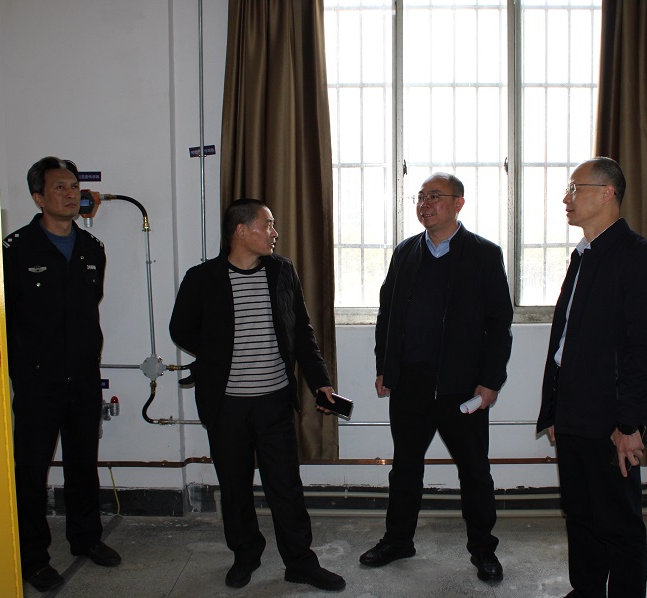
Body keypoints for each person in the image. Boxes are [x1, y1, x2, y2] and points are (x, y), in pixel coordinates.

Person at [169, 198, 345, 592]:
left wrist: (321, 381)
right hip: (226, 405)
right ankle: (245, 554)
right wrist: (216, 353)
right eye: (267, 225)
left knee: (286, 486)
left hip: (274, 403)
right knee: (234, 487)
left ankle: (300, 562)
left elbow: (302, 331)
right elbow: (180, 329)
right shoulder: (203, 278)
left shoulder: (282, 271)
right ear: (241, 230)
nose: (274, 233)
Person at [360, 173, 514, 582]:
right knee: (405, 468)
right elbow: (387, 313)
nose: (425, 204)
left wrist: (490, 381)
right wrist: (384, 366)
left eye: (435, 197)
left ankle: (483, 550)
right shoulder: (406, 252)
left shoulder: (483, 254)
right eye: (421, 197)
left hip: (461, 388)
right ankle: (398, 540)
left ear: (458, 203)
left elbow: (499, 323)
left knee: (474, 472)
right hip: (410, 384)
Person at [536, 157, 647, 597]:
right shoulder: (584, 255)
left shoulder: (642, 260)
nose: (566, 198)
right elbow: (567, 341)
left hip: (612, 416)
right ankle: (587, 590)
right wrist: (554, 409)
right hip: (574, 409)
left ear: (607, 193)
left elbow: (645, 352)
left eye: (575, 189)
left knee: (618, 523)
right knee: (580, 514)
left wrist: (629, 425)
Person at [4, 156, 121, 592]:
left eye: (73, 186)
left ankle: (86, 538)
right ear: (38, 197)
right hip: (37, 380)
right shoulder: (16, 251)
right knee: (31, 470)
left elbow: (90, 306)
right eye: (59, 187)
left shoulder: (92, 248)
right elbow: (5, 318)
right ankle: (32, 556)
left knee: (82, 463)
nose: (70, 194)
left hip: (84, 376)